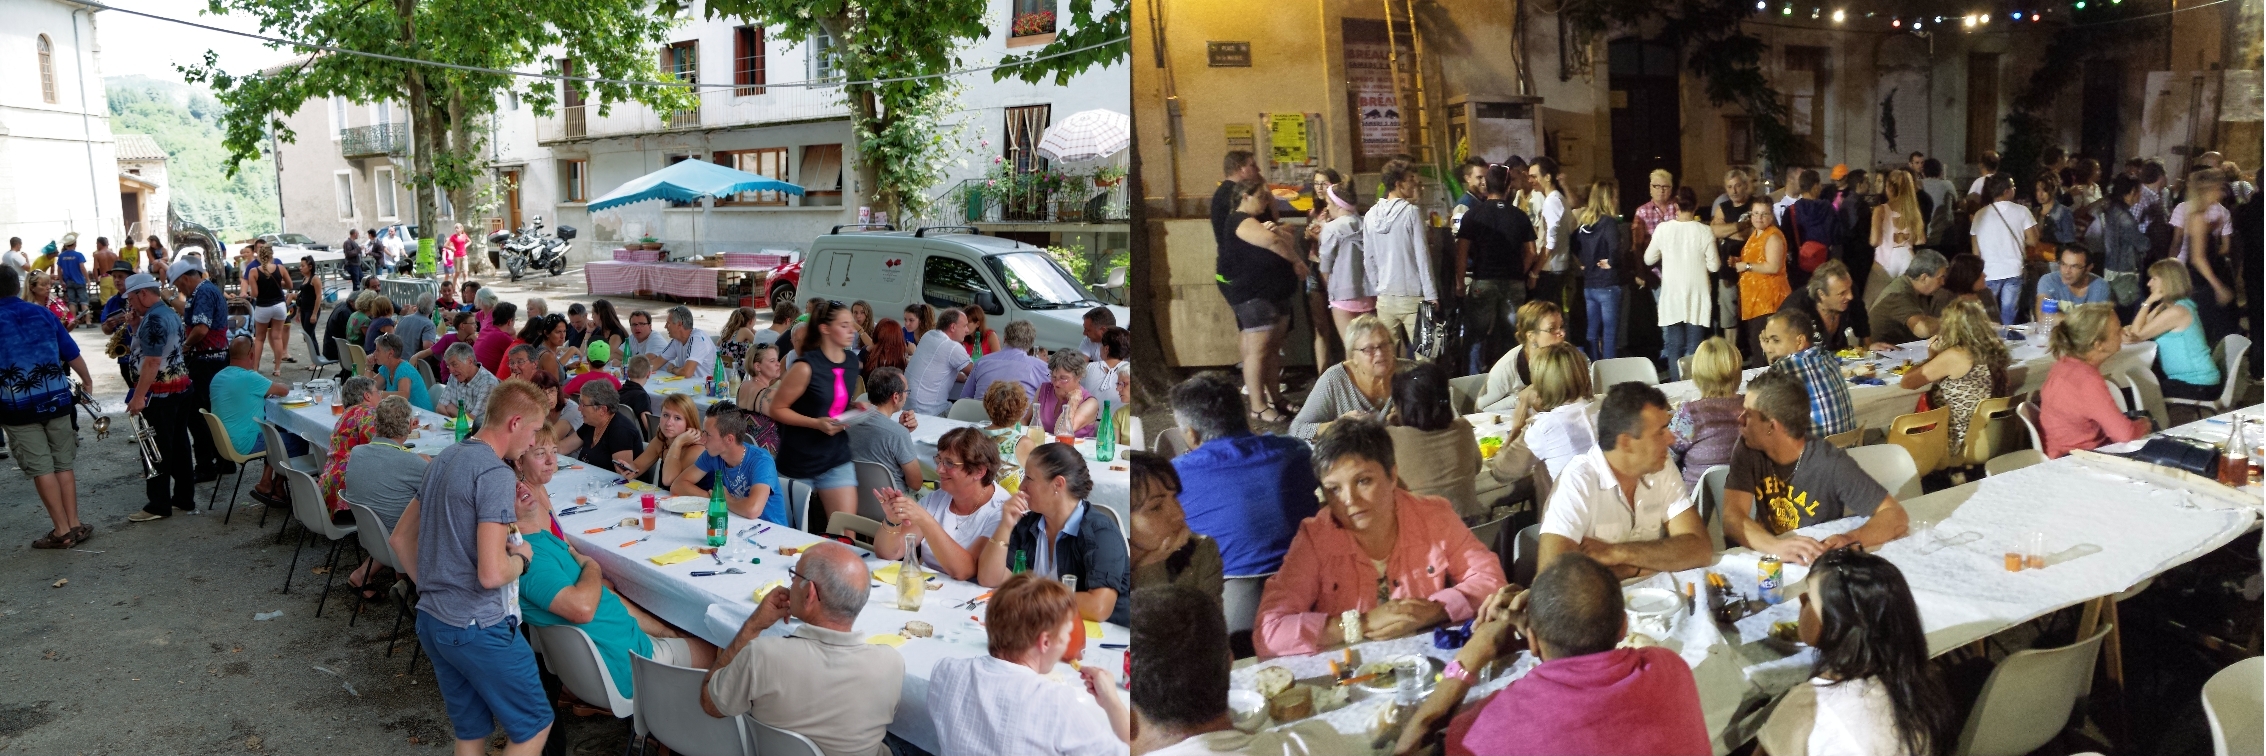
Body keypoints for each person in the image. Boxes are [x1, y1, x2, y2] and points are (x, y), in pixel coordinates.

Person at [384, 379, 554, 756]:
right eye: (532, 432)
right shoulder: (494, 474)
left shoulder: (445, 456)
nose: (531, 442)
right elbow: (492, 574)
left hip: (433, 620)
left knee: (471, 732)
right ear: (513, 423)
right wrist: (522, 558)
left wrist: (434, 588)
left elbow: (399, 539)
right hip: (479, 626)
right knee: (534, 727)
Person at [1395, 554, 1711, 756]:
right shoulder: (1670, 669)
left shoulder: (1489, 728)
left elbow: (1415, 742)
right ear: (1623, 627)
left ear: (1531, 640)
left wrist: (1471, 658)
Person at [1254, 417, 1506, 658]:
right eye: (1334, 489)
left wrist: (1434, 610)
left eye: (1363, 481)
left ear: (1392, 476)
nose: (1350, 501)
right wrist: (1360, 623)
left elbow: (1491, 580)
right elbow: (1269, 632)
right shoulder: (1315, 538)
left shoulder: (1433, 516)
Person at [509, 439, 716, 695]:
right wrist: (592, 567)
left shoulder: (539, 541)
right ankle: (692, 726)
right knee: (723, 648)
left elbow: (602, 597)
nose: (520, 488)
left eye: (517, 483)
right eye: (509, 491)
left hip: (619, 649)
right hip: (632, 665)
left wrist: (666, 631)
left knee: (674, 620)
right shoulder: (528, 560)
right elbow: (583, 608)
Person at [698, 540, 905, 756]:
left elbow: (710, 703)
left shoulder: (761, 655)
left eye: (794, 576)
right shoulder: (892, 663)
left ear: (810, 594)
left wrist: (753, 625)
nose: (790, 585)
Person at [1756, 547, 1960, 756]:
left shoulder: (1809, 704)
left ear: (1836, 627)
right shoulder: (1922, 686)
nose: (1801, 600)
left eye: (1808, 598)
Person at [1721, 369, 1910, 565]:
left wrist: (1850, 539)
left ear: (1772, 426)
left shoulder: (1829, 462)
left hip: (1814, 560)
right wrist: (1776, 547)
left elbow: (1896, 515)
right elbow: (1732, 518)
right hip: (1772, 557)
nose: (1740, 419)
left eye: (1748, 414)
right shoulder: (1748, 448)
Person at [928, 574, 1130, 755]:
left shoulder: (945, 671)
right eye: (1066, 633)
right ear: (1045, 642)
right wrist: (1112, 702)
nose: (1068, 641)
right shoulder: (1056, 703)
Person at [1531, 381, 1711, 579]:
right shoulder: (1577, 481)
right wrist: (1652, 564)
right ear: (1626, 442)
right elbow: (1554, 579)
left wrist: (1617, 553)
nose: (1671, 439)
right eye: (1660, 432)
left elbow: (1699, 548)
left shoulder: (1661, 466)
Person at [1168, 371, 1319, 579]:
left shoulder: (1171, 477)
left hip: (1225, 593)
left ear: (1192, 434)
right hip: (1310, 578)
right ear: (1245, 417)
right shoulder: (1296, 451)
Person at [981, 442, 1132, 625]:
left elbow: (1098, 607)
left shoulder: (1101, 533)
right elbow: (989, 578)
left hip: (1102, 640)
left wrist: (1032, 596)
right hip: (1048, 630)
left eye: (1029, 478)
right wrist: (1005, 525)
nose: (1021, 486)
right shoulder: (1029, 524)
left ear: (1058, 484)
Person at [0, 266, 95, 547]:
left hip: (18, 408)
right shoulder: (41, 312)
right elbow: (71, 352)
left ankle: (61, 531)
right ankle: (75, 524)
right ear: (17, 287)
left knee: (42, 467)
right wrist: (87, 380)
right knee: (63, 464)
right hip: (57, 399)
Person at [872, 426, 1006, 582]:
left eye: (949, 463)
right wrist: (892, 520)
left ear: (979, 472)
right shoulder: (937, 498)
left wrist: (925, 520)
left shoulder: (1001, 510)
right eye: (939, 460)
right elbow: (889, 553)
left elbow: (964, 571)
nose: (939, 469)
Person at [770, 300, 862, 521]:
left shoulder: (851, 361)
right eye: (844, 325)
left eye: (852, 324)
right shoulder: (804, 367)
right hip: (798, 460)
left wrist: (854, 408)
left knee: (845, 530)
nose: (853, 330)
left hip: (836, 457)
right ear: (825, 328)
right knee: (789, 534)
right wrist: (815, 423)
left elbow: (829, 401)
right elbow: (776, 409)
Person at [1221, 180, 1304, 422]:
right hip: (1253, 296)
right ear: (1245, 196)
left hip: (1272, 293)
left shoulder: (1257, 222)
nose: (1266, 202)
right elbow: (1274, 243)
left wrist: (1277, 231)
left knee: (1270, 351)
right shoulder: (1239, 220)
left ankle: (1276, 398)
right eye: (1262, 197)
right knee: (1258, 352)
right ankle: (1258, 406)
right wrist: (1297, 261)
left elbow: (1283, 238)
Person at [122, 272, 200, 521]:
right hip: (179, 387)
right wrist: (134, 327)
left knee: (154, 448)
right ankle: (183, 498)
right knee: (178, 445)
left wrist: (138, 396)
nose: (130, 304)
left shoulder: (154, 319)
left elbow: (152, 361)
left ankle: (158, 504)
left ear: (143, 294)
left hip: (161, 393)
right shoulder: (167, 312)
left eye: (131, 298)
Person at [341, 396, 428, 594]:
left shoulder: (357, 453)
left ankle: (363, 574)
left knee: (388, 506)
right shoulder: (412, 464)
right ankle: (407, 582)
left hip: (372, 538)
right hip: (401, 547)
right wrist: (427, 465)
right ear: (408, 427)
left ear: (375, 424)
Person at [1899, 298, 2011, 451]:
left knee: (1895, 427)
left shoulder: (1956, 355)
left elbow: (1907, 383)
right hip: (1992, 434)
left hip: (1956, 440)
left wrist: (1932, 357)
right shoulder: (1995, 350)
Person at [1455, 163, 1538, 368]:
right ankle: (1511, 380)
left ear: (1486, 184)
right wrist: (1521, 272)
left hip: (1483, 281)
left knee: (1476, 336)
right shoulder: (1519, 215)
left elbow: (1462, 251)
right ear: (1508, 186)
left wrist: (1459, 284)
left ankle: (1473, 384)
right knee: (1512, 336)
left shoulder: (1473, 215)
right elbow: (1532, 252)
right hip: (1514, 282)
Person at [2042, 303, 2152, 457]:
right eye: (2117, 330)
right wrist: (2145, 424)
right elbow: (2125, 434)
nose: (2123, 332)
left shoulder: (2063, 365)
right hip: (2081, 459)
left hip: (2060, 452)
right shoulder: (2087, 380)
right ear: (2098, 345)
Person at [1385, 362, 1484, 520]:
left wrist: (1390, 425)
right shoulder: (1463, 428)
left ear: (1400, 406)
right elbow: (1477, 466)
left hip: (1420, 536)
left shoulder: (1389, 438)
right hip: (1469, 531)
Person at [207, 336, 295, 504]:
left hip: (225, 443)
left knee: (279, 430)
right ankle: (277, 485)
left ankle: (266, 481)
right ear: (252, 355)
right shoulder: (250, 378)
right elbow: (283, 390)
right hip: (245, 443)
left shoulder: (218, 377)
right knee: (298, 441)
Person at [1645, 187, 1720, 379]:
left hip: (1672, 294)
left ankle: (1675, 385)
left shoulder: (1664, 229)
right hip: (1697, 293)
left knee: (1673, 346)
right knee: (1695, 347)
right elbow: (1714, 266)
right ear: (1695, 206)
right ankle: (1695, 388)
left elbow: (1648, 259)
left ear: (1675, 205)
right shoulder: (1704, 231)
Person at [1128, 452, 1224, 600]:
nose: (1179, 514)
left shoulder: (1200, 553)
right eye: (1156, 507)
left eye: (1174, 497)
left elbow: (1205, 622)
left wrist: (1151, 569)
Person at [172, 257, 234, 483]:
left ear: (186, 278)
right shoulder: (205, 291)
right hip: (213, 359)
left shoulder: (203, 293)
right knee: (213, 411)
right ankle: (224, 460)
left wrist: (185, 346)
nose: (180, 291)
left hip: (205, 361)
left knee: (197, 413)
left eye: (179, 286)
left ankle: (206, 464)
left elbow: (200, 328)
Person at [2123, 259, 2222, 400]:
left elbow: (2136, 335)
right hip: (2187, 381)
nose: (2148, 283)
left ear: (2167, 281)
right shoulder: (2168, 306)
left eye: (2154, 279)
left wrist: (2147, 302)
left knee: (2133, 395)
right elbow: (2135, 330)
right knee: (2135, 391)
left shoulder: (2178, 311)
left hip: (2199, 384)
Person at [1289, 314, 1400, 441]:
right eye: (1369, 349)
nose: (1380, 353)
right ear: (1353, 357)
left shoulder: (1411, 374)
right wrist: (1339, 426)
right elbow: (1296, 430)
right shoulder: (1334, 379)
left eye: (1384, 344)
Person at [1365, 159, 1437, 353]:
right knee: (1427, 353)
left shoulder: (1370, 215)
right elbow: (1422, 256)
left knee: (1387, 357)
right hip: (1415, 295)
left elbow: (1369, 258)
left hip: (1385, 297)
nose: (1414, 182)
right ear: (1398, 184)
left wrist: (1378, 287)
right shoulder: (1411, 213)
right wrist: (1431, 294)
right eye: (1410, 179)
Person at [1495, 342, 1596, 480]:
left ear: (1543, 383)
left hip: (1571, 500)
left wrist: (1517, 428)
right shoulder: (1605, 404)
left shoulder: (1544, 426)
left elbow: (1502, 472)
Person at [1758, 308, 1857, 440]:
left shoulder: (1786, 366)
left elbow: (1760, 404)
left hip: (1816, 455)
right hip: (1848, 451)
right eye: (1767, 341)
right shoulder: (1827, 357)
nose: (1769, 348)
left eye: (1776, 341)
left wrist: (1771, 358)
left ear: (1800, 341)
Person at [1571, 177, 1635, 359]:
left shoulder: (1585, 223)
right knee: (1609, 333)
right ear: (1607, 199)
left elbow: (1572, 243)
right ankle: (1608, 371)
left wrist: (1582, 262)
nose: (1616, 200)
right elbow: (1615, 247)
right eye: (1614, 197)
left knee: (1591, 331)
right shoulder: (1608, 222)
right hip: (1607, 284)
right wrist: (1612, 262)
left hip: (1589, 284)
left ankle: (1592, 368)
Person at [1671, 337, 1745, 488]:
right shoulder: (1755, 407)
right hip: (1751, 503)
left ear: (1697, 374)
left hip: (1701, 505)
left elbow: (1665, 456)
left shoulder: (1690, 414)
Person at [2174, 172, 2240, 343]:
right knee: (2204, 329)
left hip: (2199, 282)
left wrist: (2211, 227)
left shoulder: (2199, 216)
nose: (2222, 193)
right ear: (2208, 190)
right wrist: (2218, 286)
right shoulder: (2197, 217)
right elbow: (2197, 258)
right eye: (2219, 188)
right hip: (2200, 284)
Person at [1317, 175, 1376, 348]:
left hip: (1342, 296)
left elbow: (1325, 265)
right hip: (1369, 294)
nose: (1327, 207)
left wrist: (1329, 285)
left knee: (1352, 348)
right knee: (1368, 346)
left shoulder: (1331, 228)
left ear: (1337, 204)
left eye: (1328, 203)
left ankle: (1355, 376)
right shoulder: (1367, 224)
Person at [1970, 176, 2038, 325]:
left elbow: (1976, 251)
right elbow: (2033, 240)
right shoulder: (2022, 211)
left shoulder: (1979, 214)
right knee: (2008, 315)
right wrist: (2018, 240)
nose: (2014, 190)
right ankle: (2007, 342)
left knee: (1988, 315)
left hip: (1989, 272)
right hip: (2014, 270)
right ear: (2007, 191)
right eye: (2013, 187)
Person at [1477, 301, 1567, 411]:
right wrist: (1521, 399)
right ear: (1531, 336)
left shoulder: (1569, 357)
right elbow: (1480, 409)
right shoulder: (1507, 367)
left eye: (1561, 326)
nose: (1562, 333)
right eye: (1552, 329)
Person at [847, 366, 923, 492]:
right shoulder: (897, 434)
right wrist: (899, 430)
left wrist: (898, 428)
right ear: (895, 397)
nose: (907, 396)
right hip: (893, 503)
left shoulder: (848, 422)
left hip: (854, 498)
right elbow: (916, 484)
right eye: (906, 392)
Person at [1737, 198, 1793, 363]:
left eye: (1764, 214)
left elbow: (1773, 267)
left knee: (1763, 348)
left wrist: (1746, 266)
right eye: (1755, 213)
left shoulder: (1773, 236)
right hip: (1754, 301)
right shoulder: (1755, 233)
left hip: (1768, 301)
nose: (1758, 218)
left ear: (1771, 216)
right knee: (1756, 346)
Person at [1528, 157, 1574, 336]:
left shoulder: (1551, 201)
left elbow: (1550, 242)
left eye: (1534, 176)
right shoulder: (1559, 199)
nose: (1531, 180)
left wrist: (1534, 272)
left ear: (1547, 177)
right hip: (1558, 266)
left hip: (1551, 269)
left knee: (1546, 319)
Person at [1868, 249, 1953, 347]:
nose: (1943, 282)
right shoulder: (1898, 294)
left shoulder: (1918, 291)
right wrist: (1953, 321)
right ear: (1924, 278)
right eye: (1941, 277)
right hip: (1883, 354)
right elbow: (1922, 329)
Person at [1710, 169, 1759, 333]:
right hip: (1728, 269)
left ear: (1745, 186)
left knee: (1753, 311)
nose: (1734, 191)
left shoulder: (1756, 205)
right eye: (1729, 187)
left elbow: (1752, 233)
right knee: (1728, 314)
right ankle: (1731, 353)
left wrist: (1728, 231)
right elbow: (1714, 231)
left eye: (1737, 186)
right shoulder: (1722, 208)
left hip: (1753, 268)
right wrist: (1740, 226)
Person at [1778, 259, 1862, 353]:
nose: (1850, 296)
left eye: (1849, 289)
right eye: (1842, 293)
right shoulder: (1795, 310)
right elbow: (1785, 351)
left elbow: (1861, 319)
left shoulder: (1846, 298)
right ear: (1821, 294)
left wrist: (1869, 345)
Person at [905, 307, 974, 416]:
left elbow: (935, 370)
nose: (967, 330)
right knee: (969, 415)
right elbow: (976, 375)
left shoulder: (928, 335)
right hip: (929, 412)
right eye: (965, 326)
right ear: (953, 327)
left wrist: (959, 376)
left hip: (906, 407)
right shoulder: (952, 347)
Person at [1871, 169, 1927, 305]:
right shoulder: (1913, 211)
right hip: (1908, 257)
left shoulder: (1880, 210)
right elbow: (1921, 240)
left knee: (1873, 303)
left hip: (1885, 260)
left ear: (1889, 187)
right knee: (1906, 303)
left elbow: (1874, 241)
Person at [960, 319, 1050, 403]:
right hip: (1019, 419)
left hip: (979, 417)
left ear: (1005, 338)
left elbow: (964, 400)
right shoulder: (1041, 367)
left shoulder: (981, 362)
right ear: (1030, 343)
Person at [564, 381, 644, 470]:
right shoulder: (592, 424)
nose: (579, 408)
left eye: (583, 405)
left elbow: (624, 474)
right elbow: (563, 447)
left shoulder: (621, 431)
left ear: (602, 410)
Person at [242, 244, 293, 374]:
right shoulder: (280, 268)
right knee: (277, 337)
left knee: (259, 338)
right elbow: (290, 285)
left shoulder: (254, 271)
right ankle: (277, 369)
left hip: (263, 307)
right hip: (279, 306)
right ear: (271, 255)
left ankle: (255, 368)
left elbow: (255, 294)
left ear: (259, 255)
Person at [1034, 349, 1102, 439]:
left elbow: (1061, 432)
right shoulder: (1044, 389)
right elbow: (1025, 421)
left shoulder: (1090, 403)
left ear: (1079, 377)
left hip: (1073, 450)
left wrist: (1073, 402)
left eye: (1063, 378)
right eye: (1054, 377)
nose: (1056, 383)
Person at [2036, 243, 2110, 322]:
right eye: (2063, 264)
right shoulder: (2049, 280)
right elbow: (2043, 316)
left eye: (2074, 266)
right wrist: (2081, 322)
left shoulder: (2100, 286)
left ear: (2088, 268)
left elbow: (2096, 323)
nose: (2067, 271)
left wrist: (2058, 318)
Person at [434, 342, 501, 424]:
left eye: (454, 364)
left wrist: (452, 409)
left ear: (469, 361)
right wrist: (461, 418)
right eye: (448, 366)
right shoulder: (455, 375)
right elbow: (440, 408)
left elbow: (475, 422)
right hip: (452, 432)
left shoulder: (488, 383)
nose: (451, 370)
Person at [368, 333, 434, 412]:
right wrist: (369, 367)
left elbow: (404, 395)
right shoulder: (386, 368)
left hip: (422, 415)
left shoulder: (404, 369)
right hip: (403, 413)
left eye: (378, 350)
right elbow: (368, 388)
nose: (374, 353)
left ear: (390, 353)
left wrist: (379, 394)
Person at [652, 305, 718, 379]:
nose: (665, 326)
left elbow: (687, 373)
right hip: (693, 386)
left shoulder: (698, 339)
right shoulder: (677, 340)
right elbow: (655, 364)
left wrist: (673, 369)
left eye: (668, 323)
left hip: (711, 388)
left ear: (679, 324)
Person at [1082, 326, 1131, 406]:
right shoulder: (1132, 372)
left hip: (1089, 417)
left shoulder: (1087, 368)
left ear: (1106, 349)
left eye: (1101, 345)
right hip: (1121, 418)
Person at [733, 342, 782, 420]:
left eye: (777, 360)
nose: (778, 364)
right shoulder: (770, 393)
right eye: (772, 361)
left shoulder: (743, 385)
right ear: (758, 366)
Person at [476, 301, 519, 374]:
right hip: (488, 381)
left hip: (476, 375)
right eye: (514, 319)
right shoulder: (502, 337)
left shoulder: (486, 329)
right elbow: (521, 353)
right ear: (509, 322)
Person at [53, 235, 86, 327]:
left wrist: (61, 281)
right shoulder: (79, 255)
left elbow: (59, 270)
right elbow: (82, 268)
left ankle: (73, 322)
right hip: (79, 281)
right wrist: (87, 279)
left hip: (68, 282)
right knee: (84, 301)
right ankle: (88, 322)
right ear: (75, 244)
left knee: (72, 302)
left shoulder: (61, 256)